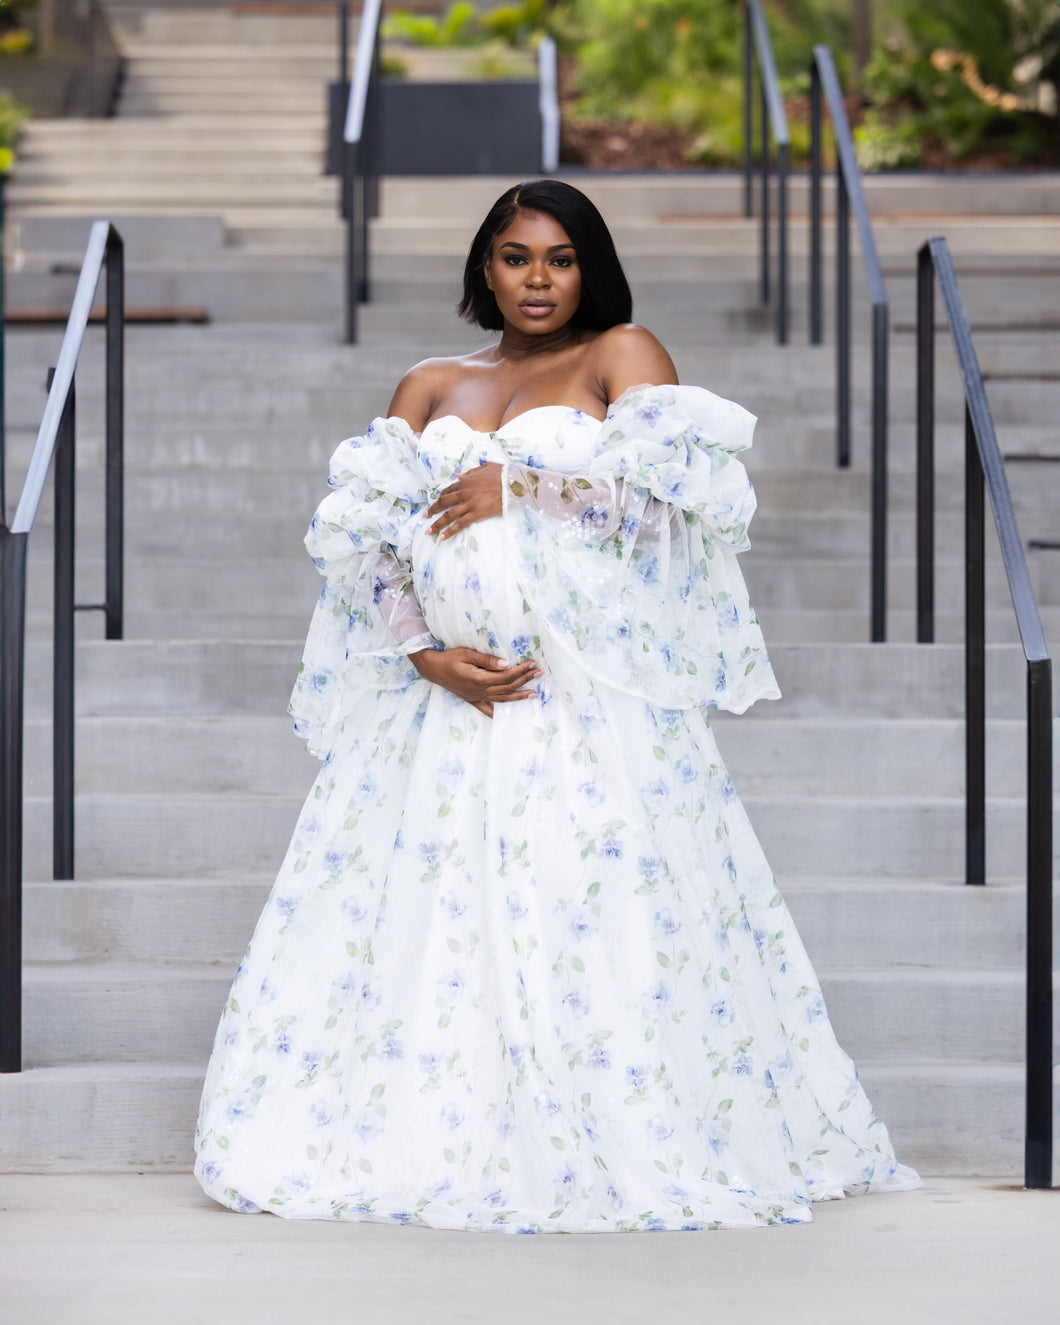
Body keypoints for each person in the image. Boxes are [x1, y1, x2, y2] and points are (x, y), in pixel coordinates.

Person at [194, 179, 919, 1231]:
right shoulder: (430, 381)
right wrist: (422, 651)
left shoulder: (621, 354)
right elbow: (364, 545)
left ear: (591, 267)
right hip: (446, 711)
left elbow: (679, 512)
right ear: (484, 268)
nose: (538, 279)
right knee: (428, 932)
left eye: (560, 258)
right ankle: (435, 1134)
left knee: (597, 920)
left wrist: (517, 487)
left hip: (588, 705)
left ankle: (622, 1127)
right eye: (517, 257)